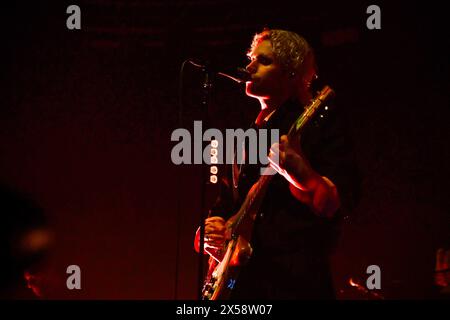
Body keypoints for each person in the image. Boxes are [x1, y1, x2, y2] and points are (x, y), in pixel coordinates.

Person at [194, 28, 360, 299]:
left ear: (291, 73)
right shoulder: (248, 136)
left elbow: (336, 202)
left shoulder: (316, 124)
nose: (250, 66)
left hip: (292, 284)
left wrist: (301, 174)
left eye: (264, 61)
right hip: (245, 285)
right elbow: (227, 202)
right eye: (251, 58)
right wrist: (212, 228)